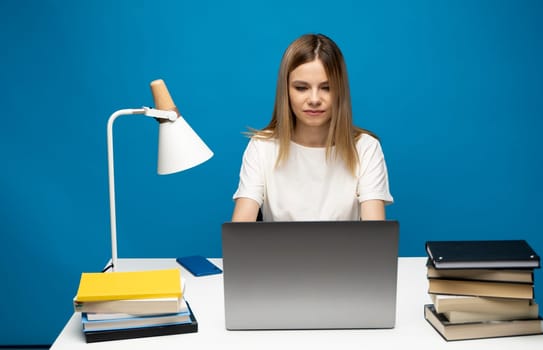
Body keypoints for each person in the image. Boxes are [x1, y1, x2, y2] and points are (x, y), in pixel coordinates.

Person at [231, 33, 393, 222]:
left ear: (340, 91)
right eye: (301, 88)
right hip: (279, 253)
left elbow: (374, 238)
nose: (314, 100)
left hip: (345, 253)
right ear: (286, 91)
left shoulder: (366, 148)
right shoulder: (262, 147)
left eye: (327, 88)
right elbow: (241, 231)